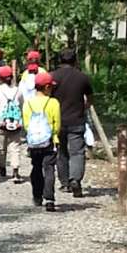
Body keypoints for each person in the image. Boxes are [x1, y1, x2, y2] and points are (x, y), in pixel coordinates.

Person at [51, 48, 93, 198]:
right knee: (77, 152)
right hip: (77, 119)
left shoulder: (52, 77)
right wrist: (84, 107)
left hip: (57, 121)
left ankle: (64, 183)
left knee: (61, 152)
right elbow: (90, 98)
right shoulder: (82, 77)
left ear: (59, 60)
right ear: (75, 60)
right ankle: (75, 179)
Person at [23, 72, 61, 212]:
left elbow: (26, 124)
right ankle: (49, 199)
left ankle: (37, 196)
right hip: (50, 141)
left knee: (36, 167)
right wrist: (53, 134)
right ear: (46, 87)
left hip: (34, 142)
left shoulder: (28, 103)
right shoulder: (53, 103)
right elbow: (57, 124)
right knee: (49, 168)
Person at [0, 66, 23, 182]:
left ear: (0, 78)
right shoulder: (18, 91)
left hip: (1, 123)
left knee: (1, 148)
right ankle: (15, 171)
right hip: (16, 123)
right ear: (12, 77)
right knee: (15, 147)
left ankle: (2, 167)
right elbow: (21, 106)